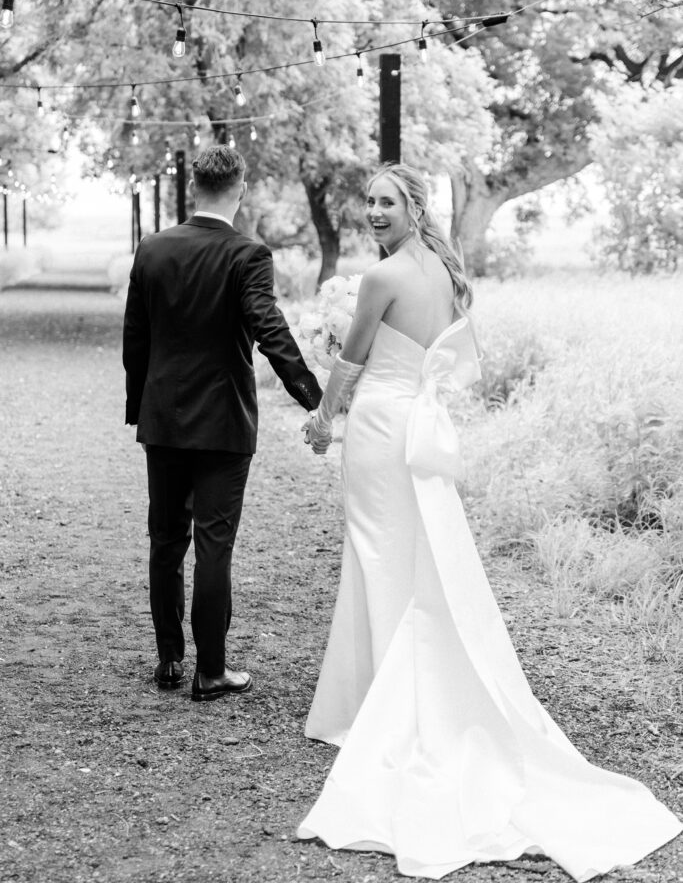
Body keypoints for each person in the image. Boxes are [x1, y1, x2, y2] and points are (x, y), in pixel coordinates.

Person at [297, 163, 681, 880]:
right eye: (369, 202)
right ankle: (375, 693)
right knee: (412, 557)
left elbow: (349, 369)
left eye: (387, 202)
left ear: (413, 207)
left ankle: (382, 704)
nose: (374, 212)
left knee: (378, 555)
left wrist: (320, 425)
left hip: (383, 428)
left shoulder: (380, 281)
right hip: (418, 423)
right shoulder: (443, 272)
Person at [123, 145, 322, 702]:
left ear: (194, 189)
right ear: (240, 188)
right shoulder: (248, 254)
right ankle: (210, 671)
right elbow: (268, 327)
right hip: (223, 423)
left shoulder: (153, 248)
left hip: (164, 420)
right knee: (214, 545)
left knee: (165, 541)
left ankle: (168, 661)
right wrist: (312, 395)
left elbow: (134, 337)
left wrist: (141, 405)